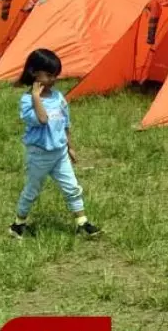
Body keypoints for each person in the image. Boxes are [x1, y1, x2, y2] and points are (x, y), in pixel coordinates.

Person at [11, 49, 101, 239]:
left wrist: (70, 146)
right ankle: (18, 224)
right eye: (49, 75)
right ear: (35, 73)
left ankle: (82, 223)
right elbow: (42, 119)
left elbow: (65, 123)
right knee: (32, 190)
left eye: (56, 75)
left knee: (72, 187)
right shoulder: (27, 101)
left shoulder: (58, 97)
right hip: (39, 155)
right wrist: (36, 96)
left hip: (59, 154)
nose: (54, 80)